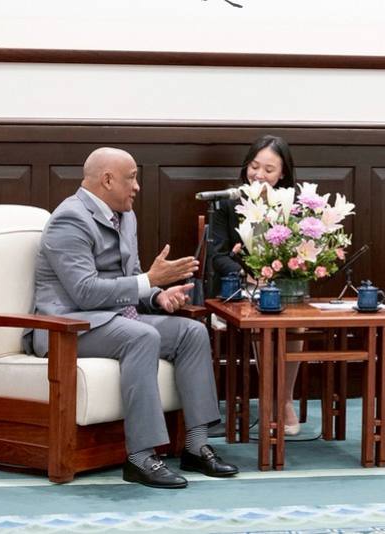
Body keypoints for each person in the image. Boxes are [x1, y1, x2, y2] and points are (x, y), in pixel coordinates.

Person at [24, 147, 239, 488]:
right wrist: (151, 281)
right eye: (131, 178)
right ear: (107, 180)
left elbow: (133, 276)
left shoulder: (126, 215)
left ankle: (196, 446)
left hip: (115, 319)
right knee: (142, 336)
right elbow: (85, 292)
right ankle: (140, 457)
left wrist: (158, 296)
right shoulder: (69, 220)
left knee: (191, 332)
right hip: (68, 327)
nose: (137, 187)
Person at [210, 134, 304, 435]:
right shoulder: (229, 202)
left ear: (282, 174)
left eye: (268, 169)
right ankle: (272, 399)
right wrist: (247, 274)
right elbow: (217, 254)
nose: (259, 175)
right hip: (240, 288)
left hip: (284, 287)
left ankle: (284, 398)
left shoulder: (295, 206)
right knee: (264, 316)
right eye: (254, 167)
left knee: (295, 323)